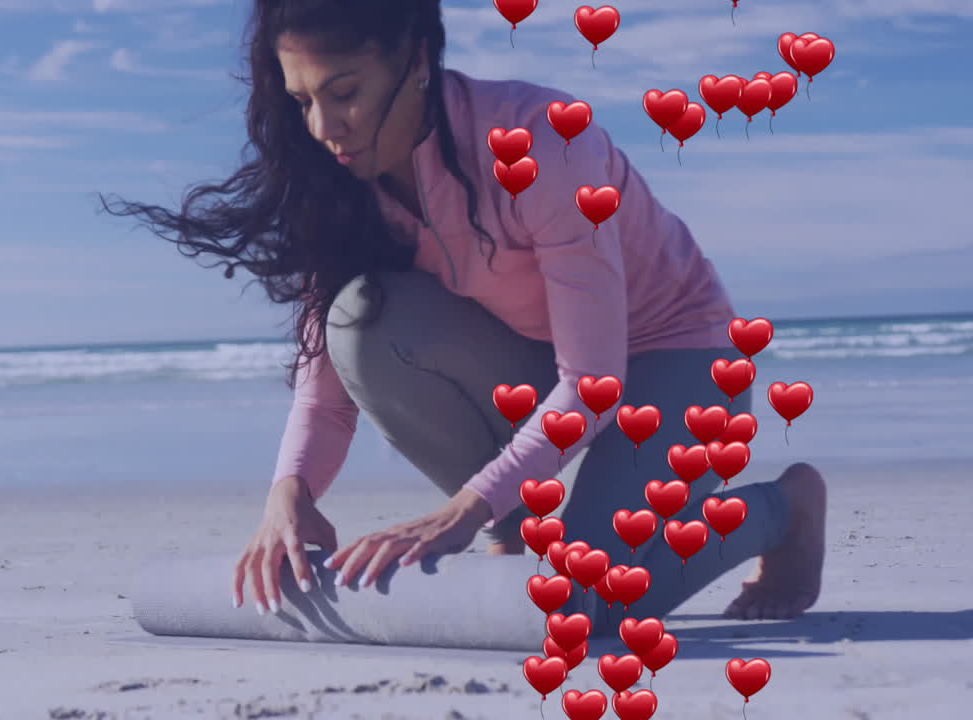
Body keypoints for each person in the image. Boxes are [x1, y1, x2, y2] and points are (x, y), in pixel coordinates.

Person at [106, 0, 827, 634]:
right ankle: (521, 531)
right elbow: (326, 390)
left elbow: (596, 381)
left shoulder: (542, 142)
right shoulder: (336, 183)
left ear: (415, 59)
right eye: (301, 101)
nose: (325, 127)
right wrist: (287, 497)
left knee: (584, 604)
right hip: (539, 360)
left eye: (345, 92)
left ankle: (782, 510)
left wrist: (465, 509)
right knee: (360, 322)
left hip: (676, 354)